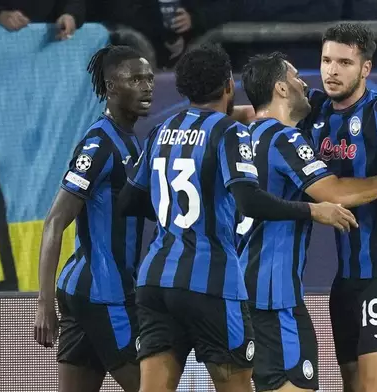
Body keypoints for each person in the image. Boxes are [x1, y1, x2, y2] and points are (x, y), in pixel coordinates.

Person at [117, 43, 357, 392]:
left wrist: (181, 215)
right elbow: (250, 201)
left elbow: (128, 203)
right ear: (228, 85)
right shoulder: (229, 131)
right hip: (209, 280)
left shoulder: (161, 130)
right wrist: (311, 209)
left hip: (155, 279)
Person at [239, 51, 377, 392]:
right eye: (296, 78)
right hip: (275, 298)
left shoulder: (242, 137)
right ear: (281, 89)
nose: (305, 84)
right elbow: (332, 191)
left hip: (238, 293)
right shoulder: (285, 138)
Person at [33, 45, 154, 392]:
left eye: (148, 78)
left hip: (83, 292)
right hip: (105, 295)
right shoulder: (99, 144)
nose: (146, 87)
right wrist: (42, 305)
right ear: (112, 87)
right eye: (135, 79)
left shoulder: (131, 142)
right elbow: (54, 222)